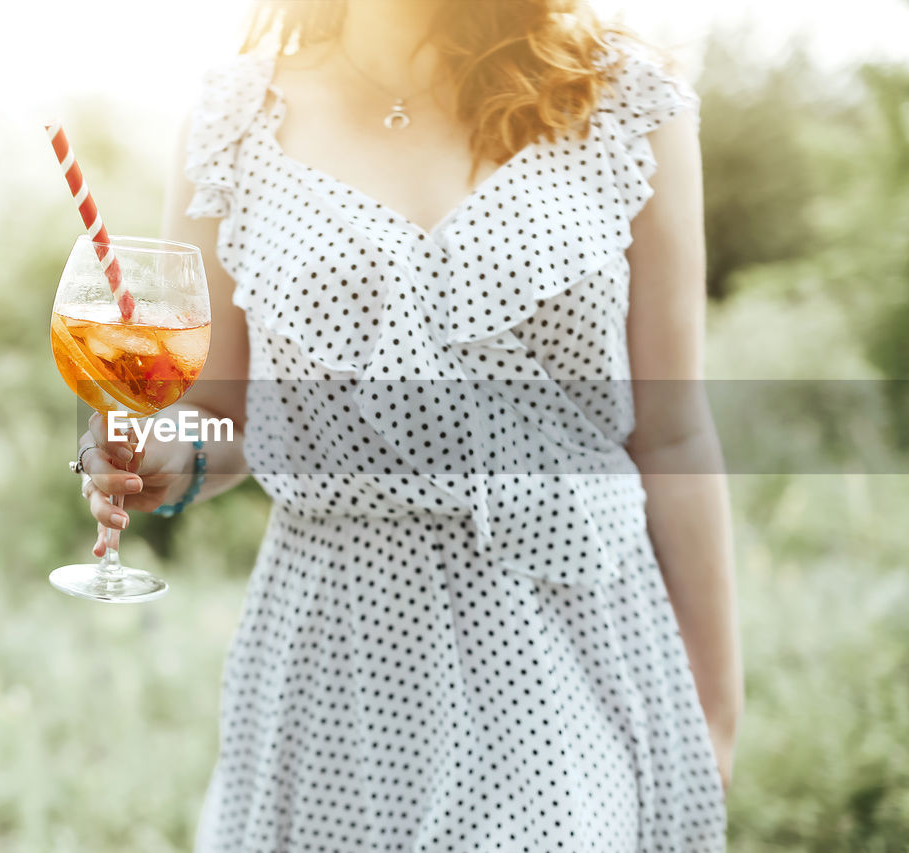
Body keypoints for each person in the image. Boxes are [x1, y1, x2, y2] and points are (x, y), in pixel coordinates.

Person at [76, 0, 742, 848]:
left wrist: (715, 712)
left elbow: (674, 432)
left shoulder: (625, 99)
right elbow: (219, 415)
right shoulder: (231, 122)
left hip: (569, 640)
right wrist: (170, 456)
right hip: (337, 663)